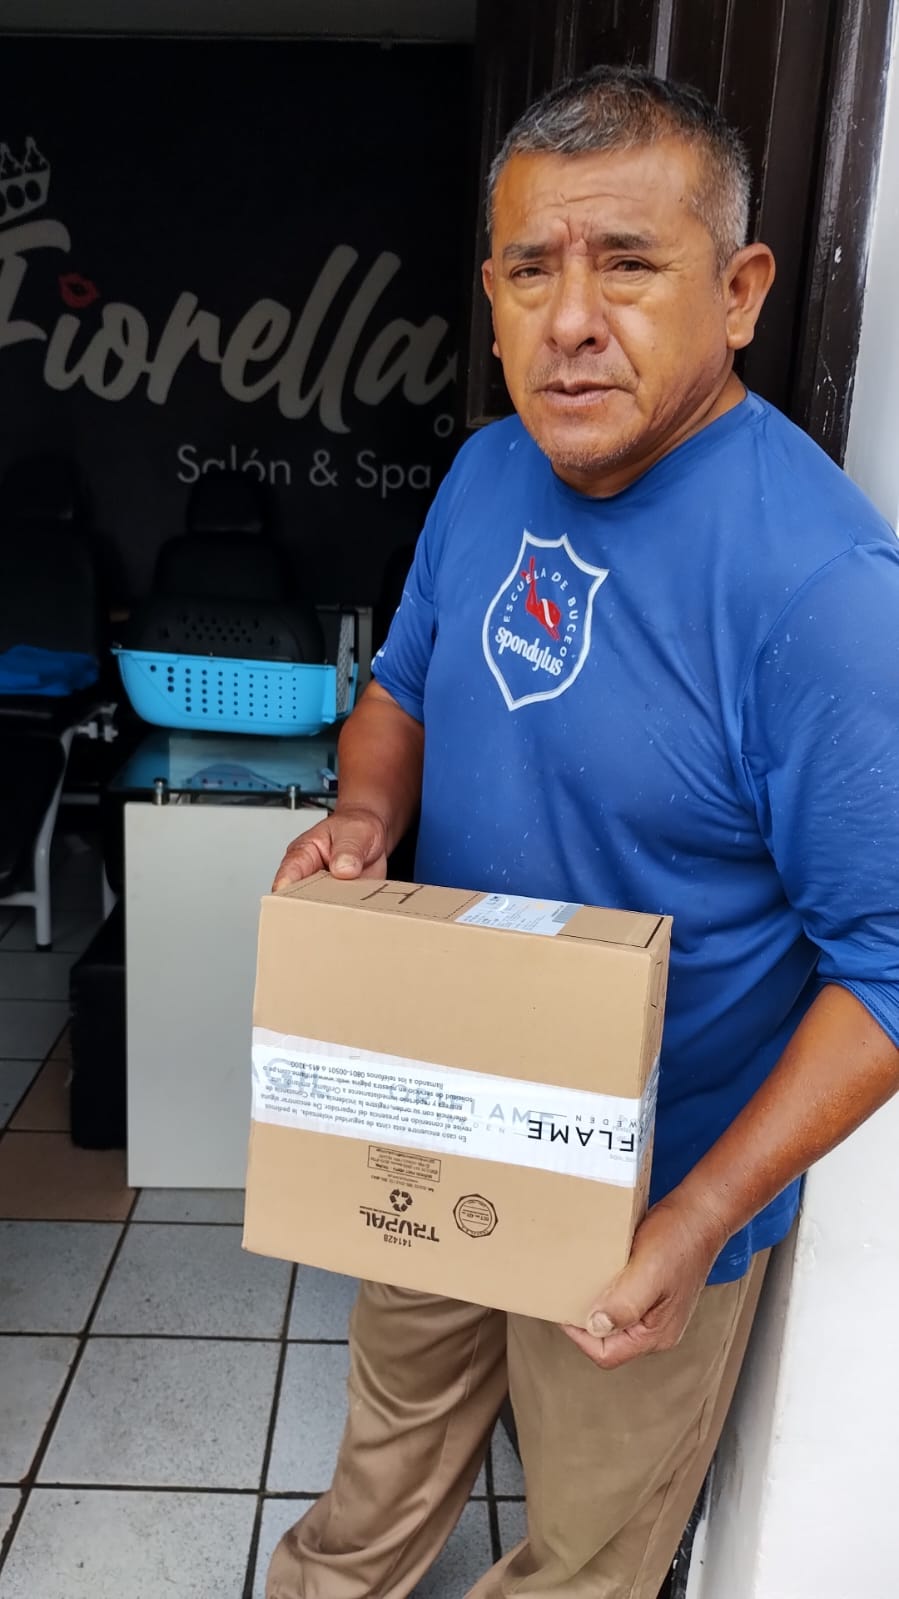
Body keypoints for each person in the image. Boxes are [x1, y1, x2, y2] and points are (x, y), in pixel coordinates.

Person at [267, 65, 899, 1599]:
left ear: (739, 291)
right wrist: (365, 814)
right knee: (380, 1468)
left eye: (627, 264)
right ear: (490, 295)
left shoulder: (824, 593)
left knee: (584, 1559)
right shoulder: (490, 470)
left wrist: (699, 1216)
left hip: (655, 1195)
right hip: (443, 1109)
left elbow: (888, 971)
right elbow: (403, 690)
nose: (571, 321)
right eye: (531, 269)